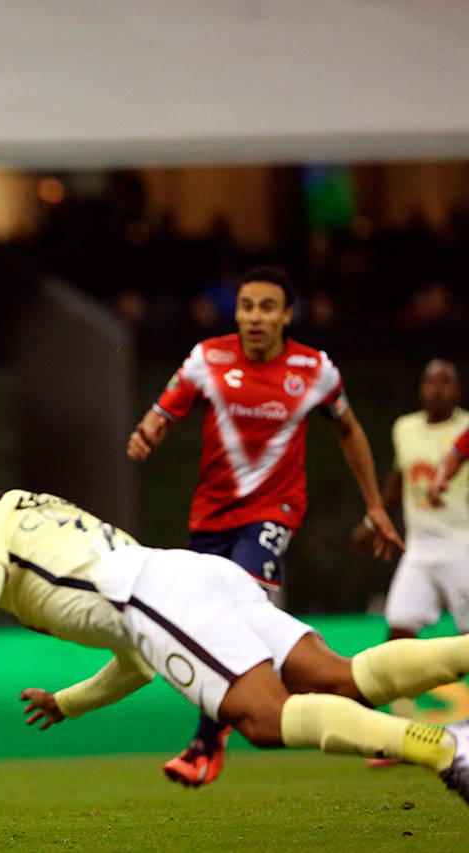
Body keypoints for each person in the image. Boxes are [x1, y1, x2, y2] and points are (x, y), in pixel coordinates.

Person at [0, 487, 469, 809]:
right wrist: (68, 702)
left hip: (156, 593)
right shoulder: (50, 516)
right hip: (191, 577)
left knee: (262, 719)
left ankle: (444, 749)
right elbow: (140, 662)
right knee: (342, 676)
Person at [127, 264, 403, 787]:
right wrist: (148, 431)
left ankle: (206, 742)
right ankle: (314, 686)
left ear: (287, 315)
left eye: (267, 307)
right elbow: (163, 411)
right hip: (210, 518)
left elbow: (348, 429)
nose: (256, 317)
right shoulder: (207, 358)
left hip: (273, 514)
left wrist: (376, 504)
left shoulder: (314, 369)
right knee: (217, 623)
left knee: (235, 608)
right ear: (237, 312)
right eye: (247, 306)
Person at [353, 361, 469, 643]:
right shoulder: (405, 428)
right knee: (399, 631)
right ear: (420, 389)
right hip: (418, 549)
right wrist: (373, 520)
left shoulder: (466, 425)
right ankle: (395, 688)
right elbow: (399, 482)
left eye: (446, 382)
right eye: (431, 382)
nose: (437, 389)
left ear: (458, 390)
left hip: (462, 545)